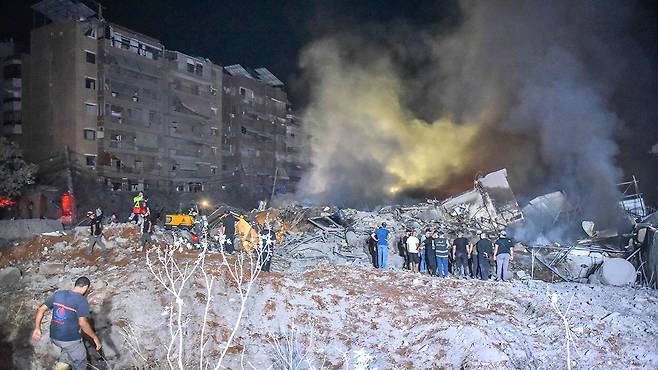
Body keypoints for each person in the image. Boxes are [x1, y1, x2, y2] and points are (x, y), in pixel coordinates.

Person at [31, 276, 101, 370]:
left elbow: (41, 309)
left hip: (54, 337)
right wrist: (95, 337)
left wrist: (37, 328)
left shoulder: (58, 294)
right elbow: (83, 323)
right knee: (80, 361)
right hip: (69, 340)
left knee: (68, 351)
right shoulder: (81, 301)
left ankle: (62, 365)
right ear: (85, 287)